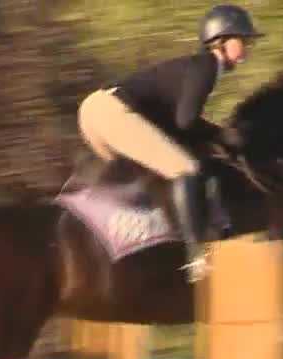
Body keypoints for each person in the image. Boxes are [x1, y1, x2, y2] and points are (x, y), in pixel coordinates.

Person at [77, 4, 263, 282]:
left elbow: (177, 124)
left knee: (154, 178)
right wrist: (221, 135)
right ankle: (197, 256)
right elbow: (187, 121)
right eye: (243, 40)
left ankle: (136, 249)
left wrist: (215, 137)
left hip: (93, 114)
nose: (247, 47)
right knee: (187, 169)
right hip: (111, 112)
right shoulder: (207, 67)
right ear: (221, 41)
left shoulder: (197, 68)